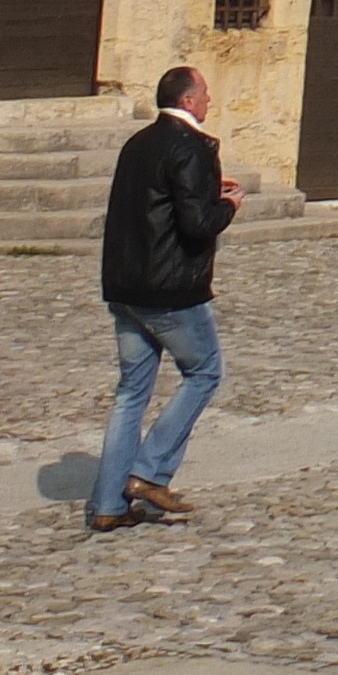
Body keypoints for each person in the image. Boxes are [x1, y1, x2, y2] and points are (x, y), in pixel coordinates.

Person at [90, 65, 240, 534]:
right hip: (171, 289)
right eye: (207, 93)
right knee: (204, 372)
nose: (210, 101)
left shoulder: (138, 144)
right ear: (190, 100)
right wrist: (228, 205)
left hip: (126, 286)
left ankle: (108, 504)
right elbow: (197, 224)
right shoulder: (190, 146)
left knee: (131, 393)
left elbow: (157, 202)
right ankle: (149, 472)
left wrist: (205, 191)